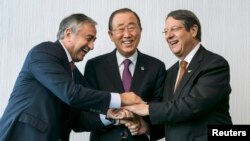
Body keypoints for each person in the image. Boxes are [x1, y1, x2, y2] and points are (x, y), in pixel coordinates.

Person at [0, 13, 144, 141]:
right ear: (68, 34)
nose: (92, 46)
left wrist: (109, 115)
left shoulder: (75, 74)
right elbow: (71, 94)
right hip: (24, 134)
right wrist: (120, 98)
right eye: (89, 38)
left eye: (94, 40)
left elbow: (76, 121)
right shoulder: (44, 52)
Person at [123, 9, 232, 141]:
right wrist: (147, 128)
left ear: (193, 30)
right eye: (165, 31)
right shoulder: (170, 73)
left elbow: (193, 105)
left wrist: (147, 108)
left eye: (174, 29)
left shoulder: (214, 64)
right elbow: (171, 114)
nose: (168, 35)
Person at [75, 8, 166, 141]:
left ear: (140, 30)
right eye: (121, 29)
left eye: (131, 27)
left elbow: (162, 111)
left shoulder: (156, 67)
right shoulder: (95, 66)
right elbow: (85, 114)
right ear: (111, 35)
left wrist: (146, 126)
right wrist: (110, 117)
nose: (127, 34)